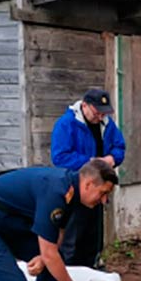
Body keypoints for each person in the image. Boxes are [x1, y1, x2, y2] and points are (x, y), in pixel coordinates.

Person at [51, 88, 126, 268]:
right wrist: (90, 162)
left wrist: (112, 159)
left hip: (99, 188)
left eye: (104, 113)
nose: (100, 117)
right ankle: (69, 271)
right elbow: (60, 157)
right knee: (73, 236)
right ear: (85, 105)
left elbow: (120, 147)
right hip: (76, 188)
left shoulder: (107, 124)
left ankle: (92, 266)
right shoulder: (66, 124)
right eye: (97, 112)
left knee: (94, 234)